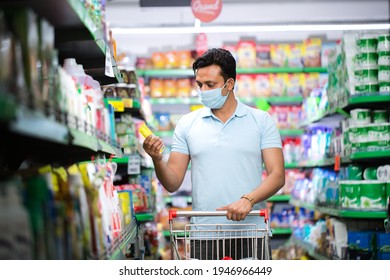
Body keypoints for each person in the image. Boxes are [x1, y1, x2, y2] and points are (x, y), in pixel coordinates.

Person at [142, 48, 285, 259]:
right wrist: (157, 159)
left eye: (210, 85)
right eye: (199, 84)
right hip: (205, 234)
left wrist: (248, 200)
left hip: (252, 232)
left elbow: (277, 175)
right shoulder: (187, 124)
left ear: (230, 84)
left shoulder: (261, 120)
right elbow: (172, 183)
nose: (203, 91)